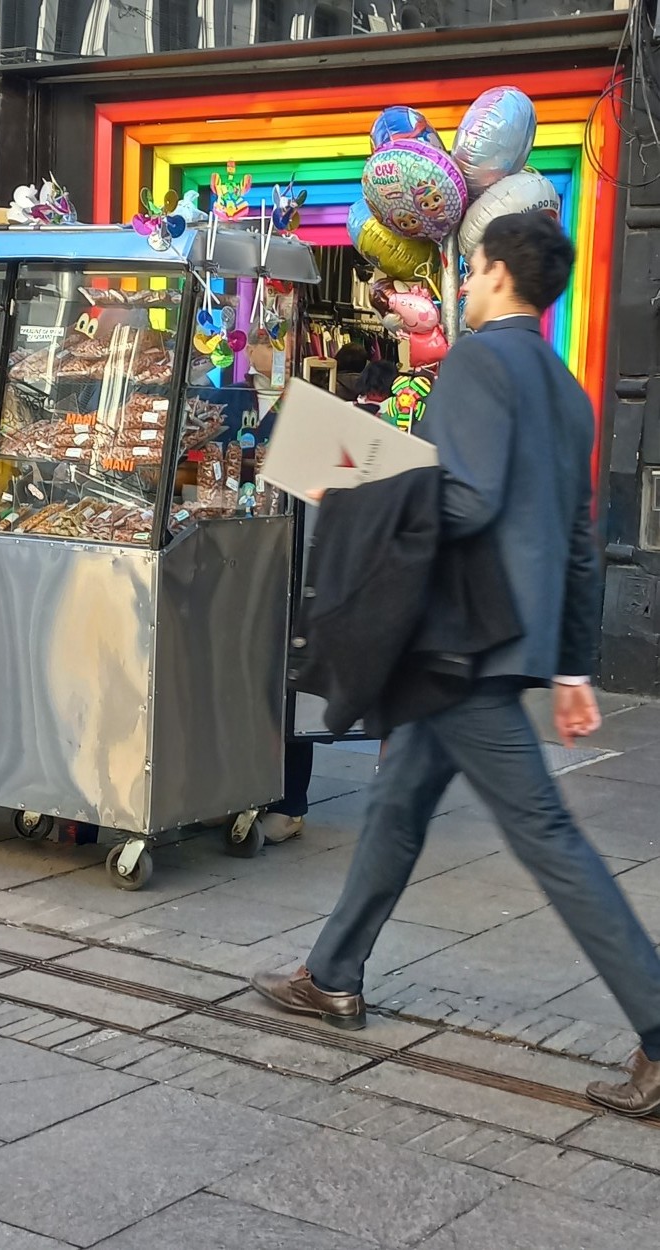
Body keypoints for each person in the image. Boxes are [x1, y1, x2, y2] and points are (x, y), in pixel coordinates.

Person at [251, 211, 660, 1117]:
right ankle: (333, 974)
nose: (463, 284)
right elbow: (580, 538)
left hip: (460, 643)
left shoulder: (477, 361)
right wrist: (571, 665)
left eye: (471, 269)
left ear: (503, 276)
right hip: (499, 645)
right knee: (398, 806)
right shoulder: (568, 390)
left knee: (548, 838)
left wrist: (350, 467)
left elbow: (464, 501)